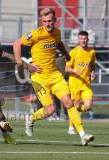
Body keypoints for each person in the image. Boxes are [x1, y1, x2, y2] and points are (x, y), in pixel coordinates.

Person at [13, 8, 94, 145]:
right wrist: (21, 62)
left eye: (50, 21)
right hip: (39, 78)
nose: (47, 24)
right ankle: (31, 119)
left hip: (55, 75)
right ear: (41, 22)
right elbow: (17, 43)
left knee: (69, 103)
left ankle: (82, 134)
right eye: (44, 21)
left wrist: (66, 54)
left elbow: (58, 42)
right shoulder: (36, 34)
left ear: (54, 20)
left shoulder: (57, 32)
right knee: (50, 110)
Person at [65, 31, 96, 135]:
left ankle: (74, 113)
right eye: (81, 38)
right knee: (76, 106)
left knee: (88, 106)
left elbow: (92, 65)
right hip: (75, 83)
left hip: (86, 84)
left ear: (88, 39)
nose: (83, 40)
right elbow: (66, 68)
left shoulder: (92, 52)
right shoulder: (73, 52)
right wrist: (75, 71)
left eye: (85, 38)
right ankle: (71, 127)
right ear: (78, 40)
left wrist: (92, 73)